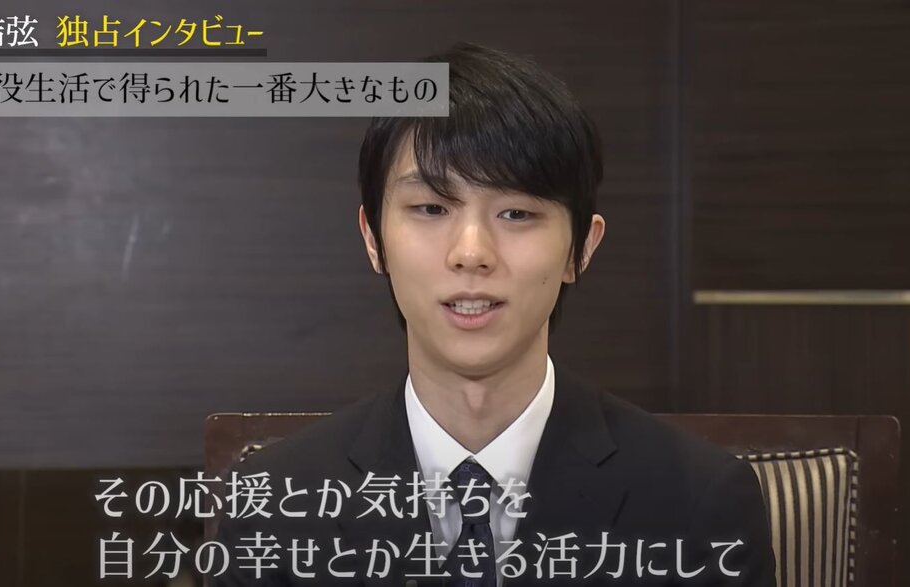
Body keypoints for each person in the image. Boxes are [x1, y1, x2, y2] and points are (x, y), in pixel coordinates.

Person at [211, 42, 776, 586]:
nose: (472, 253)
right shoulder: (273, 506)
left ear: (581, 248)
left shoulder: (699, 501)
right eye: (431, 207)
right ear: (373, 238)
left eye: (516, 213)